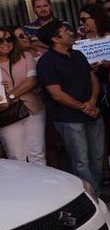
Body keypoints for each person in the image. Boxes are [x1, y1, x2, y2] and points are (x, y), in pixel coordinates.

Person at [37, 21, 104, 197]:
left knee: (97, 156)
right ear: (55, 38)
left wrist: (93, 101)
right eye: (65, 31)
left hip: (92, 113)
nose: (71, 33)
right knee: (80, 160)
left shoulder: (78, 55)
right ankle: (92, 195)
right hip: (69, 118)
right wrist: (84, 107)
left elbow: (93, 79)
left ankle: (96, 189)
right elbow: (56, 94)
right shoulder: (46, 62)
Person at [78, 4, 110, 185]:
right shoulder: (80, 41)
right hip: (94, 87)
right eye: (81, 20)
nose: (83, 23)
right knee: (102, 130)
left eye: (85, 19)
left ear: (95, 18)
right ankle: (106, 168)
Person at [0, 26, 46, 165]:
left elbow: (31, 81)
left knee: (37, 154)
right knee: (16, 157)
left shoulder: (26, 56)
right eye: (0, 40)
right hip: (7, 114)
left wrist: (11, 95)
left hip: (33, 109)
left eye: (8, 39)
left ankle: (42, 186)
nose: (5, 43)